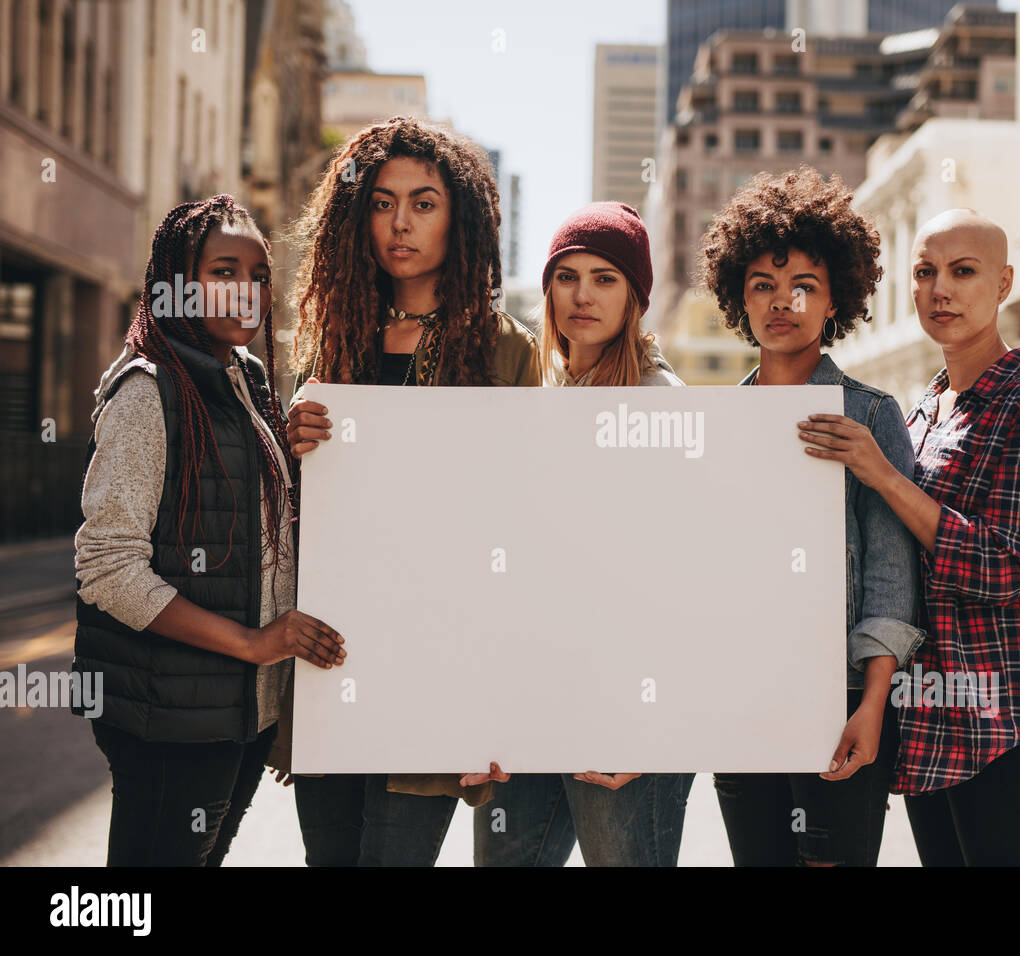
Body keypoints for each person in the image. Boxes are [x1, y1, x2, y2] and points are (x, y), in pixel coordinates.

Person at [284, 116, 540, 866]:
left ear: (458, 218)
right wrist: (293, 447)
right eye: (383, 202)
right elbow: (301, 511)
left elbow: (524, 534)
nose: (401, 223)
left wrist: (493, 704)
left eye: (424, 203)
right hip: (329, 662)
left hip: (435, 664)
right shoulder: (331, 339)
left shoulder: (501, 346)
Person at [795, 208, 1020, 866]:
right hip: (930, 722)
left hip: (1008, 723)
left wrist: (883, 475)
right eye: (925, 273)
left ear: (1004, 283)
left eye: (962, 272)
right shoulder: (925, 407)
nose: (940, 290)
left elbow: (1002, 566)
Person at [72, 195, 346, 866]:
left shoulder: (243, 382)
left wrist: (291, 452)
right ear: (174, 284)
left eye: (258, 276)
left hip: (237, 714)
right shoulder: (149, 392)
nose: (248, 291)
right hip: (170, 718)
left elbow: (249, 526)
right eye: (224, 271)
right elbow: (108, 568)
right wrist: (253, 644)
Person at [696, 167, 925, 866]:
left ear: (834, 303)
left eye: (803, 285)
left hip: (841, 699)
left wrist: (873, 704)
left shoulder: (871, 414)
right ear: (740, 298)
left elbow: (891, 569)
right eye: (762, 284)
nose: (781, 301)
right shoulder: (716, 423)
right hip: (744, 700)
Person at [472, 202, 692, 867]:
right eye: (566, 276)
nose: (583, 294)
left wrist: (651, 726)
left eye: (605, 277)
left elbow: (689, 582)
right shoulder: (534, 396)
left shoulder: (663, 403)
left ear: (635, 297)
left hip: (624, 705)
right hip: (530, 694)